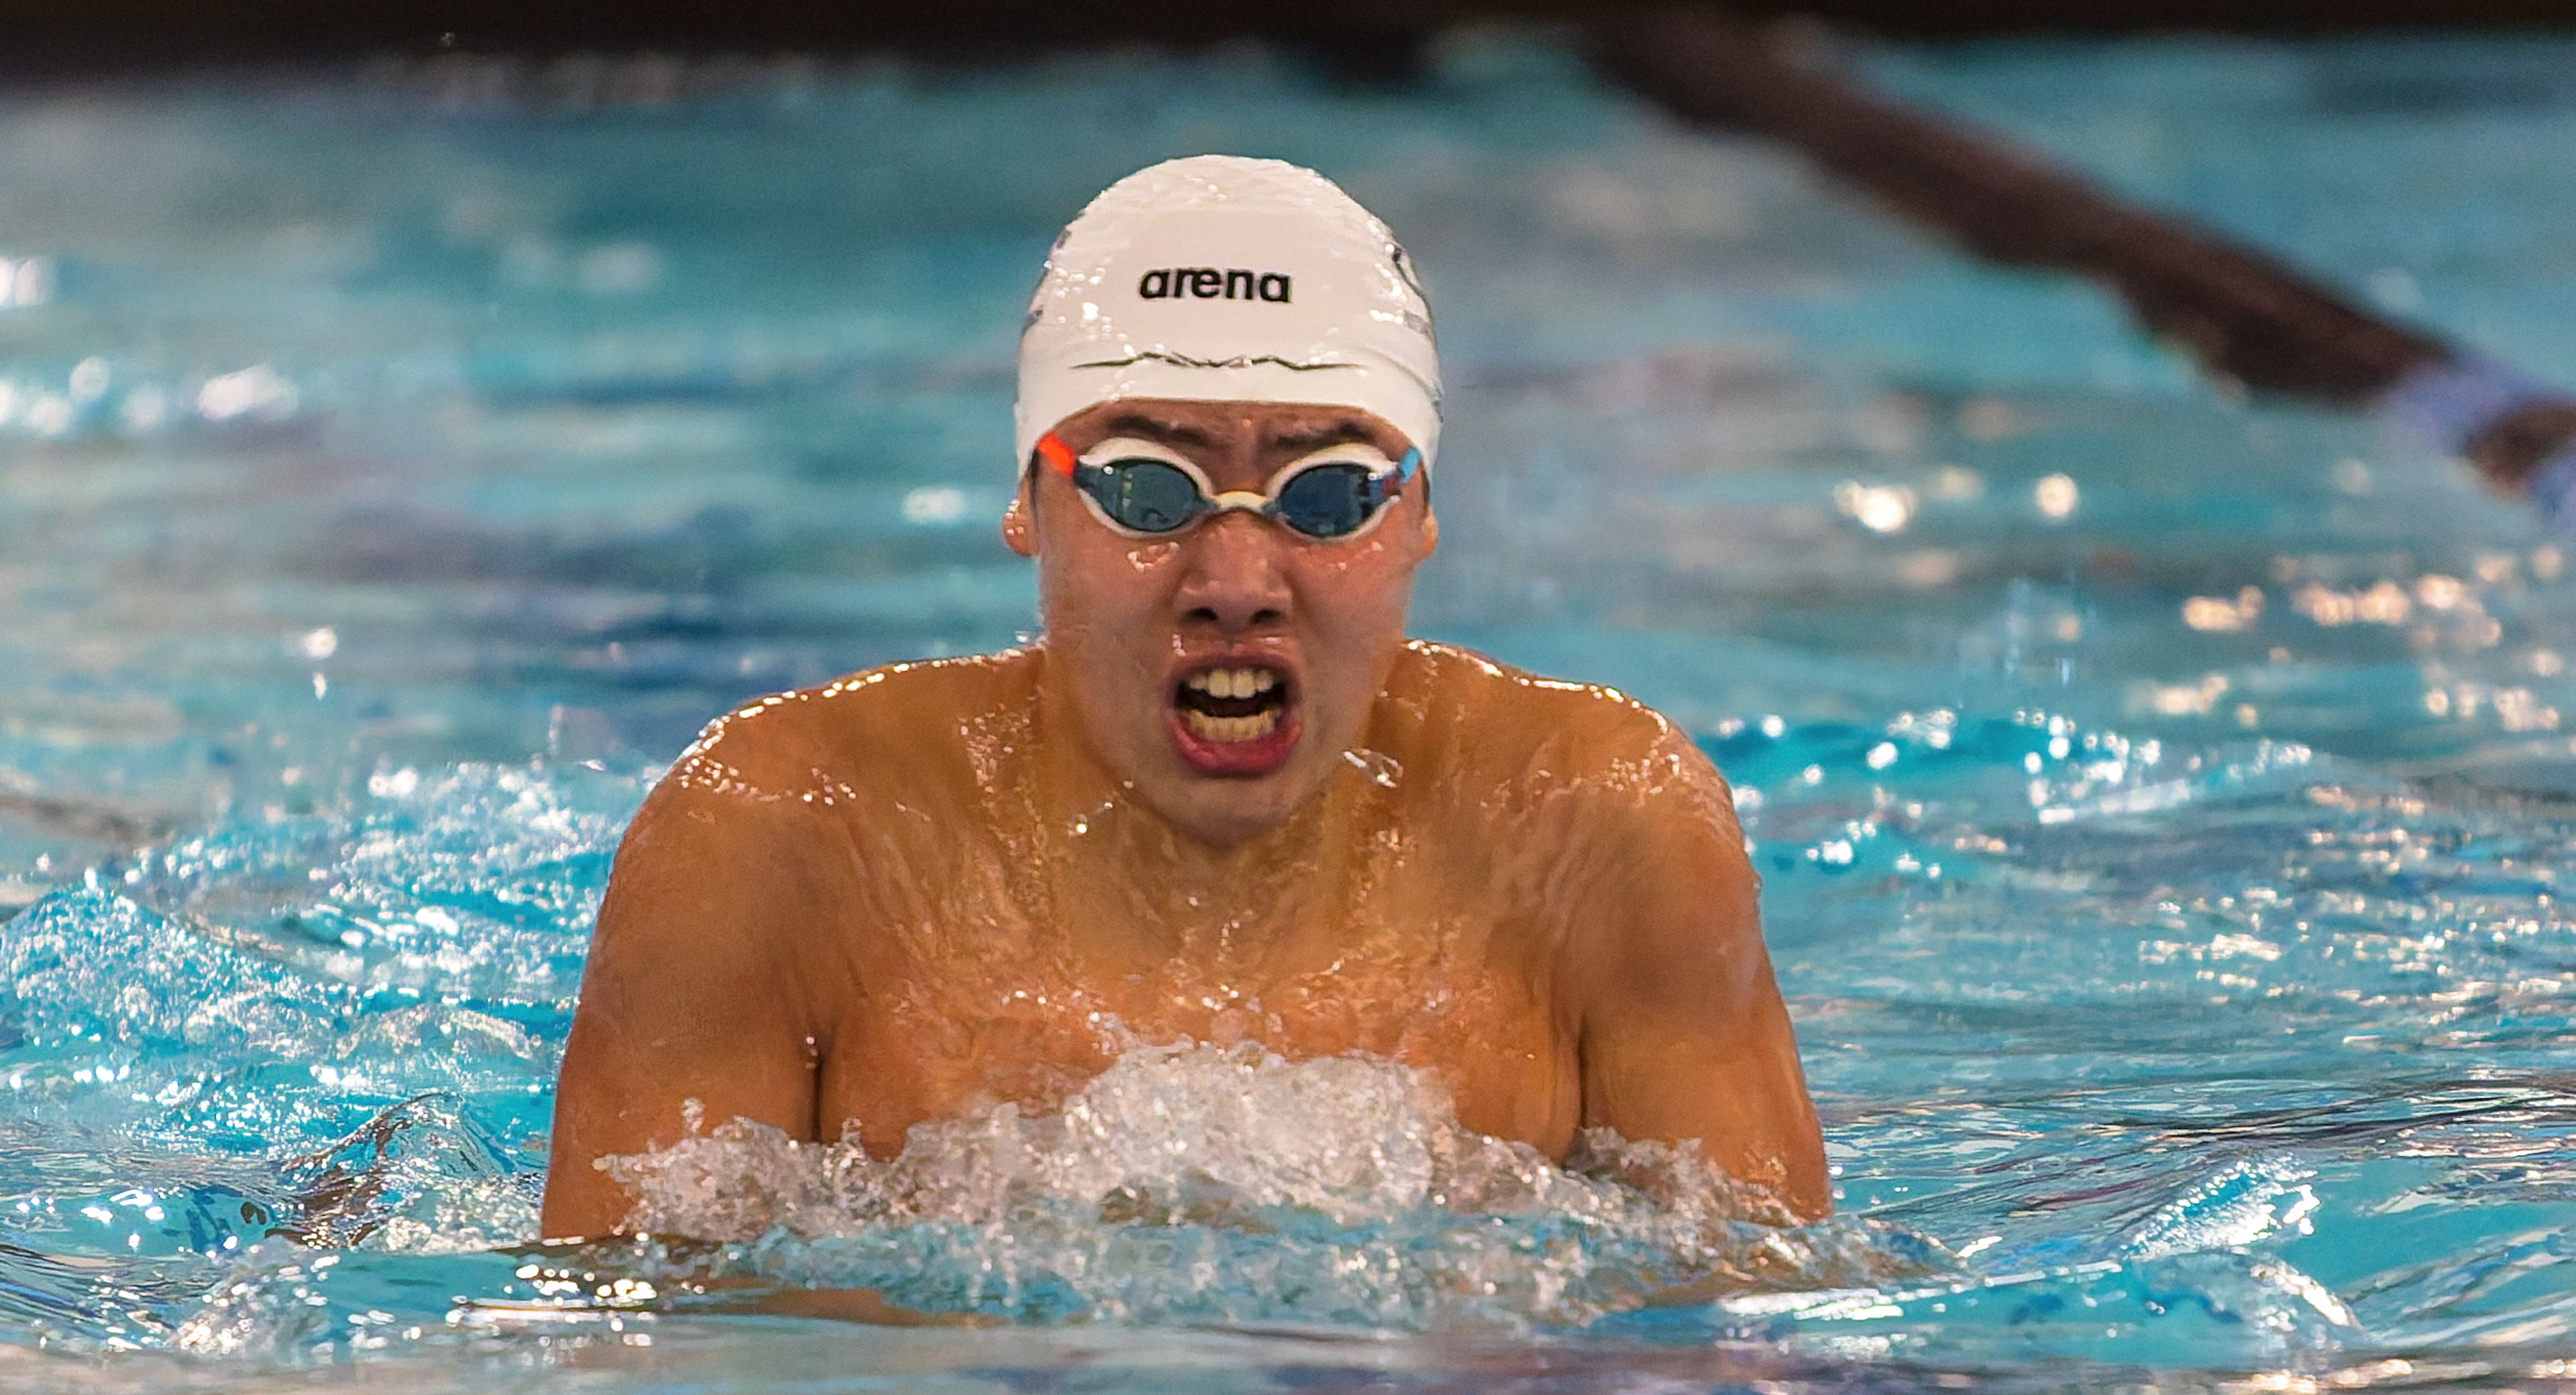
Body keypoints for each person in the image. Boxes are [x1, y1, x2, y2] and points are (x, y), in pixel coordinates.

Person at [540, 155, 1826, 1243]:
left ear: (1422, 513)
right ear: (1027, 504)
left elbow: (1750, 1373)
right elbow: (640, 1391)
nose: (1234, 580)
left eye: (1326, 495)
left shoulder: (1600, 832)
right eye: (1147, 490)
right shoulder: (779, 838)